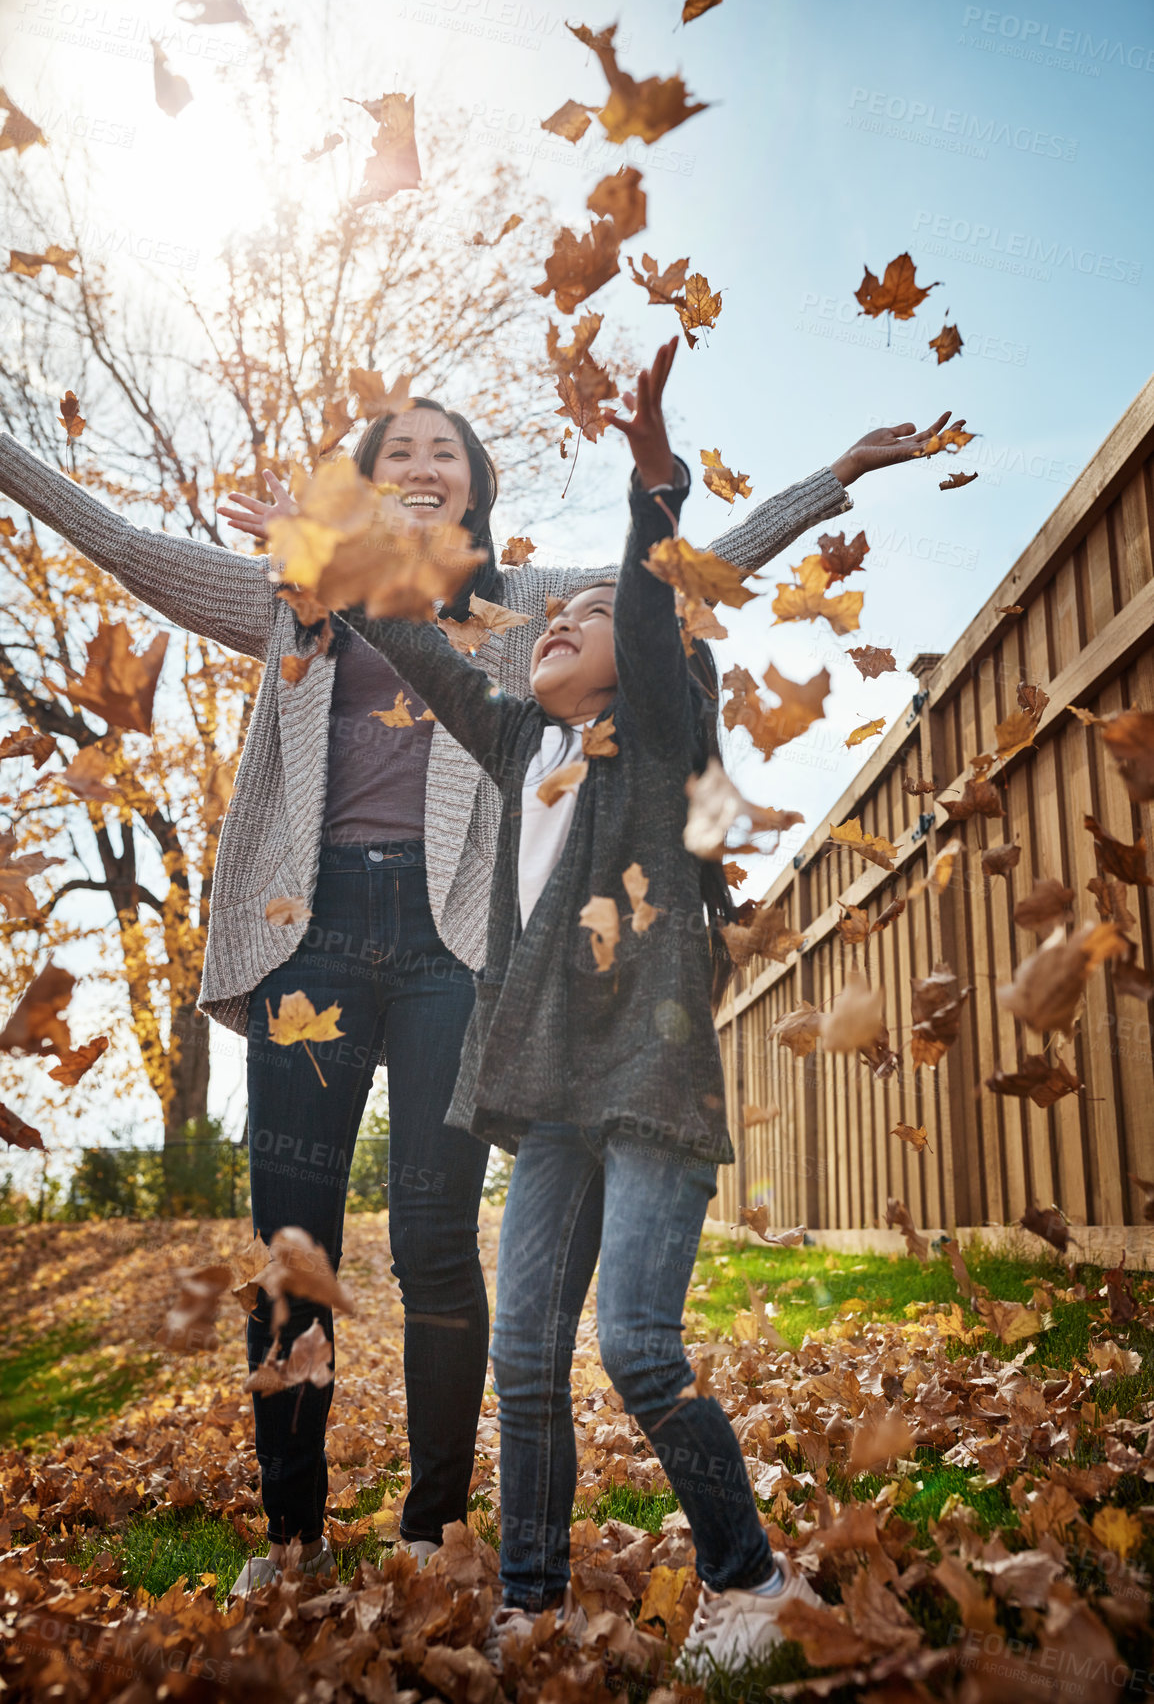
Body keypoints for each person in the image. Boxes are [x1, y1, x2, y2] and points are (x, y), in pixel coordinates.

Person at [0, 381, 958, 1595]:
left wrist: (833, 477)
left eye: (442, 451)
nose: (418, 461)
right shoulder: (299, 588)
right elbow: (129, 548)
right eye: (395, 447)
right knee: (292, 1247)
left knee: (436, 1243)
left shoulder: (525, 611)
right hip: (314, 935)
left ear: (474, 487)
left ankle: (433, 1529)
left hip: (455, 947)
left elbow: (679, 576)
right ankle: (293, 1541)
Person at [335, 337, 825, 1671]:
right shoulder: (520, 745)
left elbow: (654, 599)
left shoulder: (652, 746)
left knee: (639, 1350)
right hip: (547, 1100)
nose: (555, 622)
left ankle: (754, 1581)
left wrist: (652, 472)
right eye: (546, 619)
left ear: (644, 666)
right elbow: (409, 643)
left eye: (584, 618)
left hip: (648, 1091)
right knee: (528, 1362)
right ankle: (529, 1602)